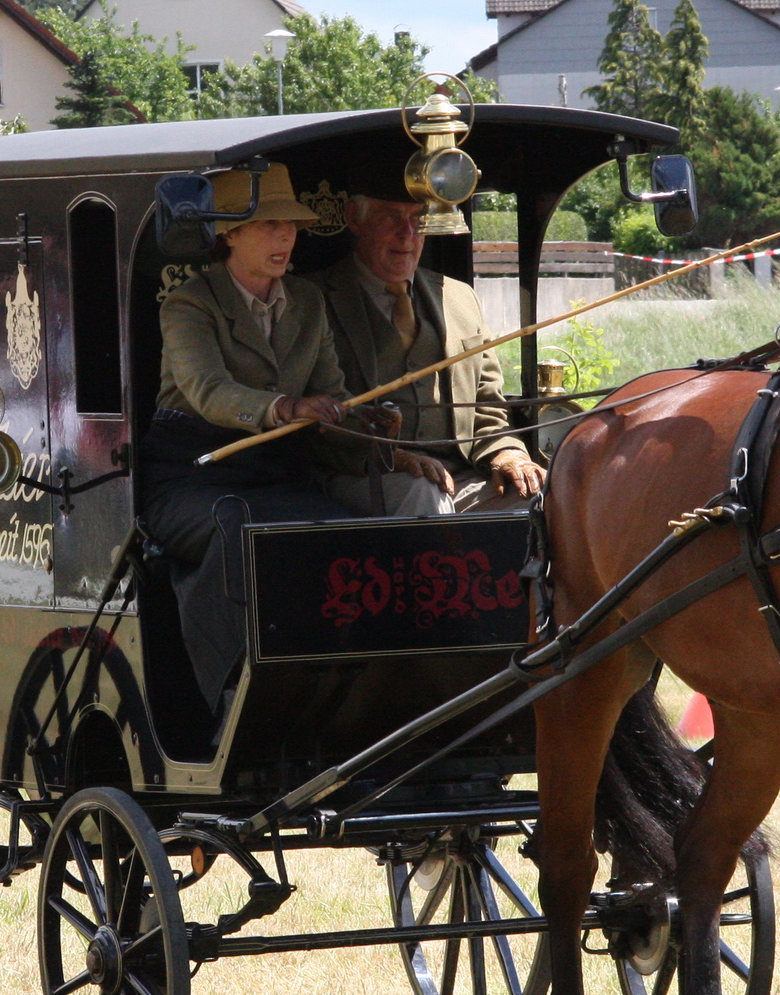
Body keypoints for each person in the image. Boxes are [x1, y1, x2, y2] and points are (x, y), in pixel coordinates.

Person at [141, 162, 352, 714]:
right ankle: (227, 692)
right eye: (268, 224)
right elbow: (208, 390)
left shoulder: (306, 301)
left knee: (344, 529)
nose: (285, 236)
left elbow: (331, 390)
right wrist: (286, 407)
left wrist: (357, 420)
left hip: (278, 473)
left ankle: (334, 680)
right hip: (192, 474)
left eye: (291, 225)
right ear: (227, 233)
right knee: (238, 525)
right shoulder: (190, 302)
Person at [310, 172, 545, 515]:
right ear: (353, 219)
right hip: (363, 475)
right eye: (389, 217)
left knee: (542, 499)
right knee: (423, 497)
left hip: (461, 476)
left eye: (417, 218)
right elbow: (314, 420)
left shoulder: (460, 297)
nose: (406, 233)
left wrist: (508, 452)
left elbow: (488, 407)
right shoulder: (312, 299)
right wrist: (396, 458)